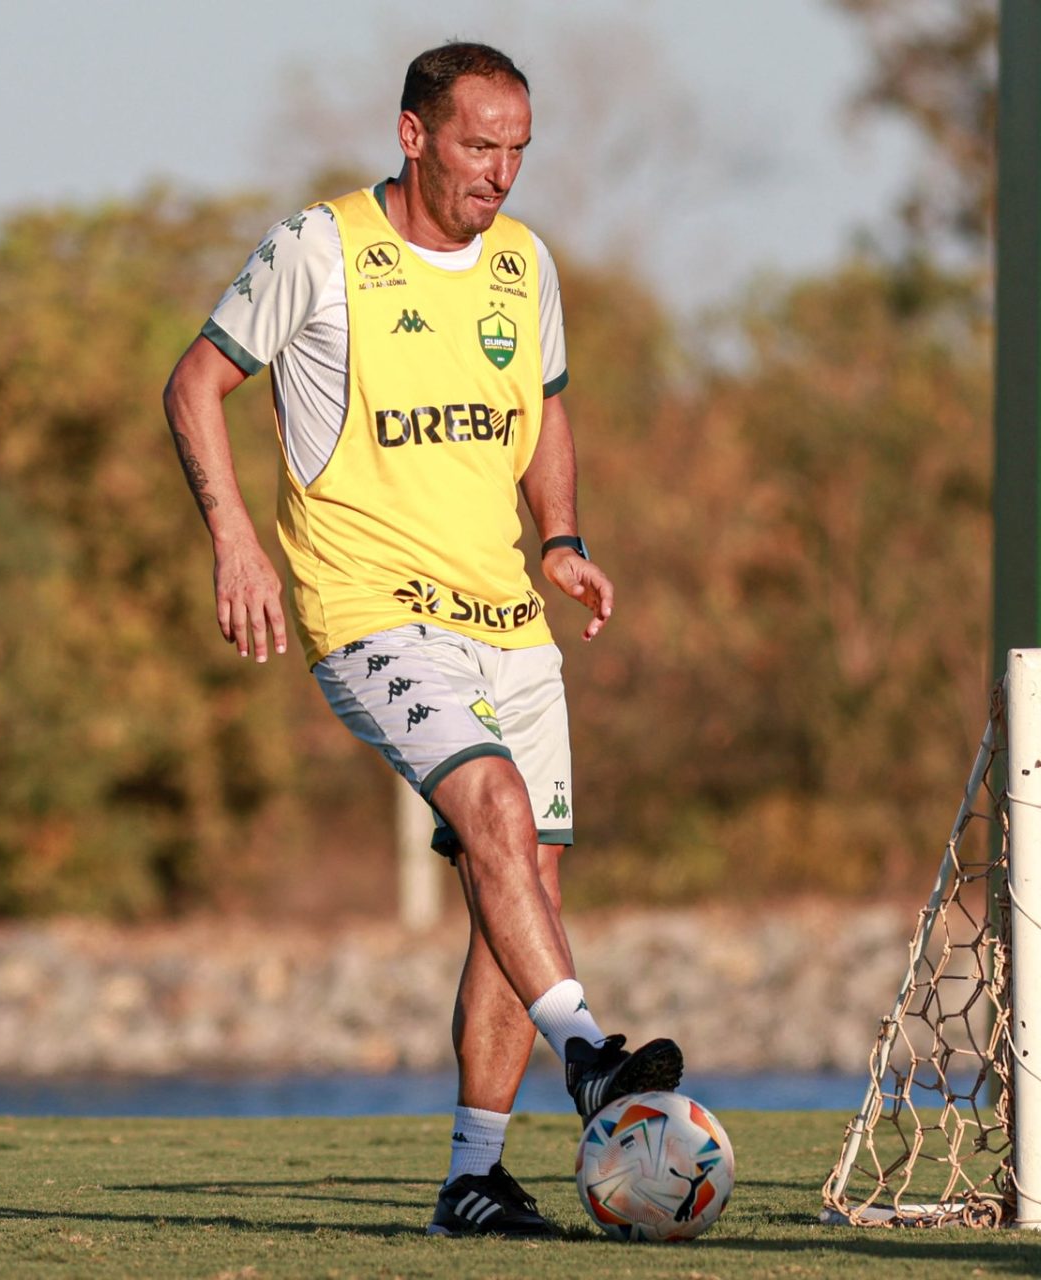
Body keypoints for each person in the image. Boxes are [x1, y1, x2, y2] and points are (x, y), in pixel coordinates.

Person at [161, 41, 681, 1238]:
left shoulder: (523, 263)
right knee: (490, 802)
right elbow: (194, 384)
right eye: (477, 145)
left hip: (509, 613)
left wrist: (560, 538)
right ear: (412, 134)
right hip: (369, 609)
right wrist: (236, 542)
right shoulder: (320, 247)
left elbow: (546, 406)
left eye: (517, 152)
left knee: (524, 890)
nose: (500, 173)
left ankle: (473, 1177)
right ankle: (593, 1057)